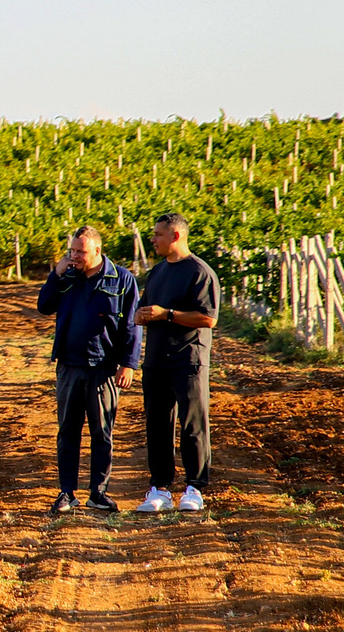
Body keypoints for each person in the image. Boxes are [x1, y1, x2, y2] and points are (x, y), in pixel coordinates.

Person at [36, 225, 138, 514]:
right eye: (72, 251)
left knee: (102, 432)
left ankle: (98, 492)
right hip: (69, 366)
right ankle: (66, 492)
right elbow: (44, 306)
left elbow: (131, 326)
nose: (76, 256)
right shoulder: (65, 277)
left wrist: (129, 364)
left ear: (97, 251)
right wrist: (55, 275)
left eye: (81, 251)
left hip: (103, 369)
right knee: (68, 431)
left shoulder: (121, 279)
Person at [134, 212, 219, 513]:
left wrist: (167, 314)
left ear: (176, 236)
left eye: (158, 234)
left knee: (192, 424)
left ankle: (195, 488)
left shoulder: (200, 272)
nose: (153, 239)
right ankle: (160, 488)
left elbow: (208, 318)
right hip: (157, 360)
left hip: (188, 359)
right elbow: (146, 310)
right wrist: (142, 316)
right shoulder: (157, 272)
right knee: (157, 424)